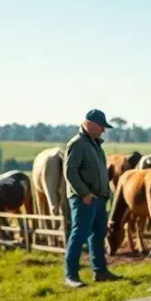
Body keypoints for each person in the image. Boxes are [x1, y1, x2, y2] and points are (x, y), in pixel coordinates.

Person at [63, 109, 121, 288]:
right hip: (84, 199)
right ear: (89, 123)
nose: (103, 130)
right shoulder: (78, 143)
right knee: (79, 235)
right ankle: (71, 275)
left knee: (98, 236)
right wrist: (84, 193)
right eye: (101, 126)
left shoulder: (95, 144)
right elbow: (70, 172)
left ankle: (100, 272)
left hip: (98, 198)